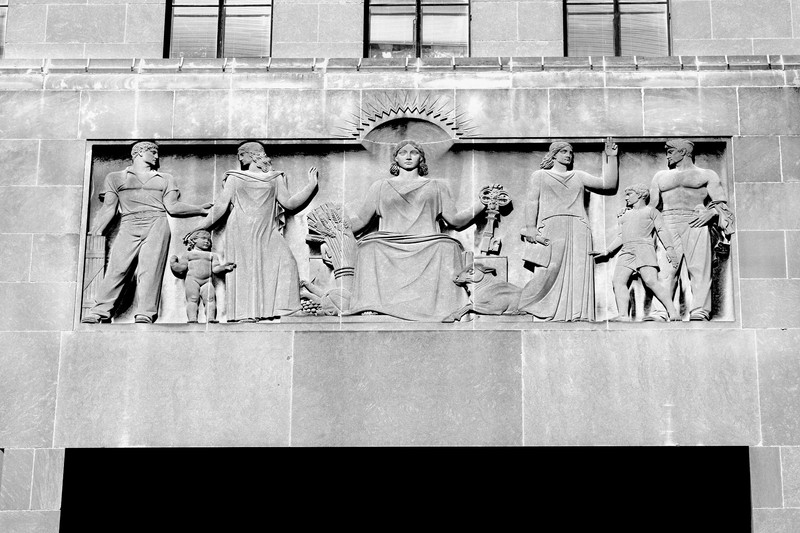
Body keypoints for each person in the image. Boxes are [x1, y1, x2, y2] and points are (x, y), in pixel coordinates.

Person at [347, 139, 486, 320]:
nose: (408, 156)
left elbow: (455, 220)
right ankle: (371, 304)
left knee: (447, 247)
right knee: (369, 247)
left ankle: (447, 307)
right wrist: (334, 224)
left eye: (414, 152)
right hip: (389, 241)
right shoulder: (380, 186)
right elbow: (361, 219)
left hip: (427, 241)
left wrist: (481, 204)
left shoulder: (436, 186)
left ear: (421, 158)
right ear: (395, 159)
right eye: (403, 152)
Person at [81, 141, 212, 324]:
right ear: (139, 153)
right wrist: (96, 231)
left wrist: (199, 209)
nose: (157, 156)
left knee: (150, 271)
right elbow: (109, 208)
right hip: (129, 223)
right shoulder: (116, 177)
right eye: (153, 152)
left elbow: (172, 207)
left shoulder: (165, 178)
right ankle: (100, 311)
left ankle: (145, 313)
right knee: (117, 268)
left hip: (156, 223)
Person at [196, 141, 318, 322]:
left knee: (287, 262)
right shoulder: (234, 177)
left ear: (253, 155)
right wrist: (201, 227)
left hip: (267, 229)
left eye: (241, 153)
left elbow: (289, 204)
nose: (239, 157)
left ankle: (287, 309)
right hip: (240, 229)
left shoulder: (274, 177)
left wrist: (311, 185)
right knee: (245, 270)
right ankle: (245, 315)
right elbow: (221, 206)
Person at [519, 139, 618, 321]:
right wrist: (531, 227)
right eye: (564, 151)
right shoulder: (540, 176)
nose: (568, 155)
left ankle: (578, 314)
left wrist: (611, 158)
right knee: (548, 270)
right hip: (551, 226)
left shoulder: (578, 176)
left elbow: (608, 185)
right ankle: (539, 307)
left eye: (570, 153)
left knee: (579, 271)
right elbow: (532, 201)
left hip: (579, 226)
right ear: (554, 154)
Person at [648, 139, 734, 321]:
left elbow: (721, 204)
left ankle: (700, 311)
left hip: (696, 221)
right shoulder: (660, 176)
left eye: (671, 151)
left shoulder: (706, 174)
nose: (667, 155)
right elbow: (652, 206)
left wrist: (711, 213)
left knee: (699, 269)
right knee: (665, 269)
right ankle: (660, 312)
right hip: (668, 221)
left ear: (683, 152)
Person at [593, 184, 680, 321]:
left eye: (629, 194)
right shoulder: (624, 214)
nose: (626, 197)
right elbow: (621, 236)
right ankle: (623, 315)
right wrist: (608, 251)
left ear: (640, 195)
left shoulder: (651, 211)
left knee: (651, 281)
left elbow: (662, 230)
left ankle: (673, 312)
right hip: (627, 250)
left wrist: (669, 249)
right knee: (618, 281)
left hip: (644, 248)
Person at [169, 230, 236, 323]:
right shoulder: (189, 254)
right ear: (194, 240)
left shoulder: (212, 255)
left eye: (209, 240)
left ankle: (210, 318)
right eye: (204, 238)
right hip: (192, 280)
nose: (207, 241)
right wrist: (174, 263)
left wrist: (224, 267)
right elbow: (182, 268)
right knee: (192, 299)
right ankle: (192, 319)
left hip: (207, 281)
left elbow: (215, 269)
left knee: (211, 299)